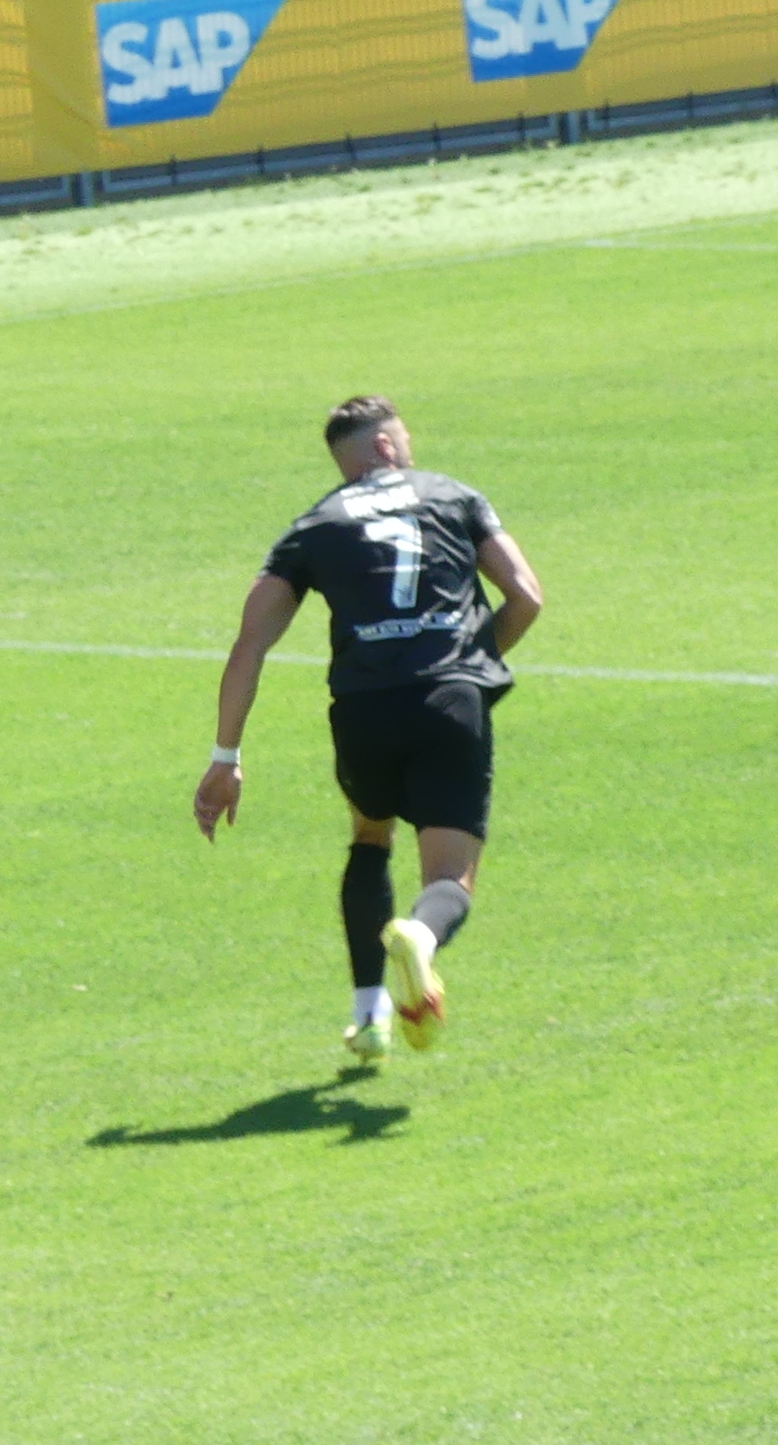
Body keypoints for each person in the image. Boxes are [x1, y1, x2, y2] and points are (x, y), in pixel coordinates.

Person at [197, 398, 545, 1059]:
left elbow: (249, 646)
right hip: (451, 698)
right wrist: (472, 664)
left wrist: (226, 756)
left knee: (369, 834)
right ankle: (420, 935)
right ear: (387, 447)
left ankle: (370, 1014)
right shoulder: (454, 497)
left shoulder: (313, 525)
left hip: (363, 709)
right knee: (449, 878)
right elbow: (526, 595)